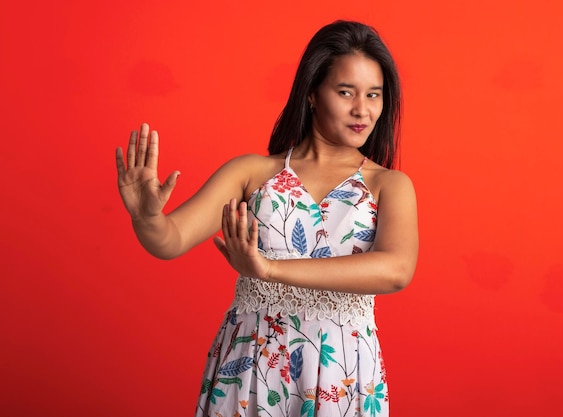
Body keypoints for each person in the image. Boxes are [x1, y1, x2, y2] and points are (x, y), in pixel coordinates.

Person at [116, 20, 418, 417]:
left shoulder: (389, 185)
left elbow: (395, 270)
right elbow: (168, 241)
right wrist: (145, 217)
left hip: (342, 376)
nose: (362, 109)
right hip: (252, 367)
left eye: (374, 95)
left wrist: (270, 269)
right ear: (312, 93)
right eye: (346, 92)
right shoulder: (252, 174)